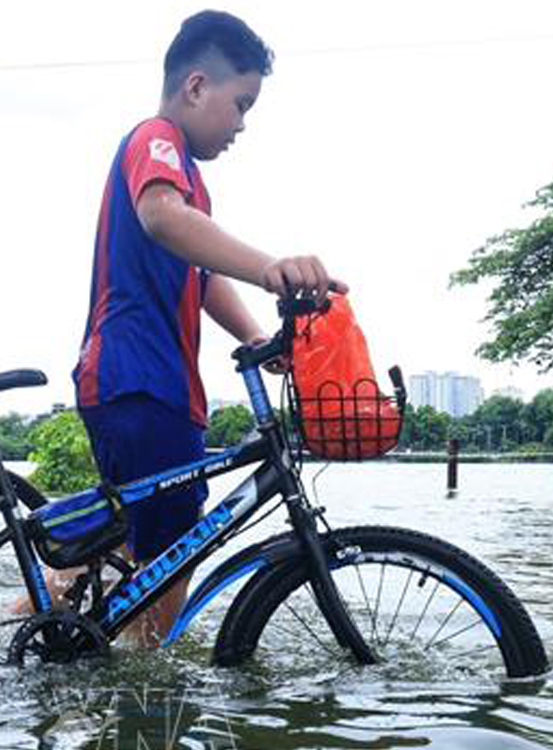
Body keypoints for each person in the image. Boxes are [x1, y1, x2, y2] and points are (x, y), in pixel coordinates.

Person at [70, 10, 347, 646]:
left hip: (151, 383)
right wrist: (271, 266)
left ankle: (66, 629)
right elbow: (163, 220)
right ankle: (147, 696)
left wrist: (253, 337)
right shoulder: (157, 141)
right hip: (139, 378)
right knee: (172, 555)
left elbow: (200, 274)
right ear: (197, 86)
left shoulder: (190, 180)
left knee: (143, 542)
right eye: (241, 103)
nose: (243, 124)